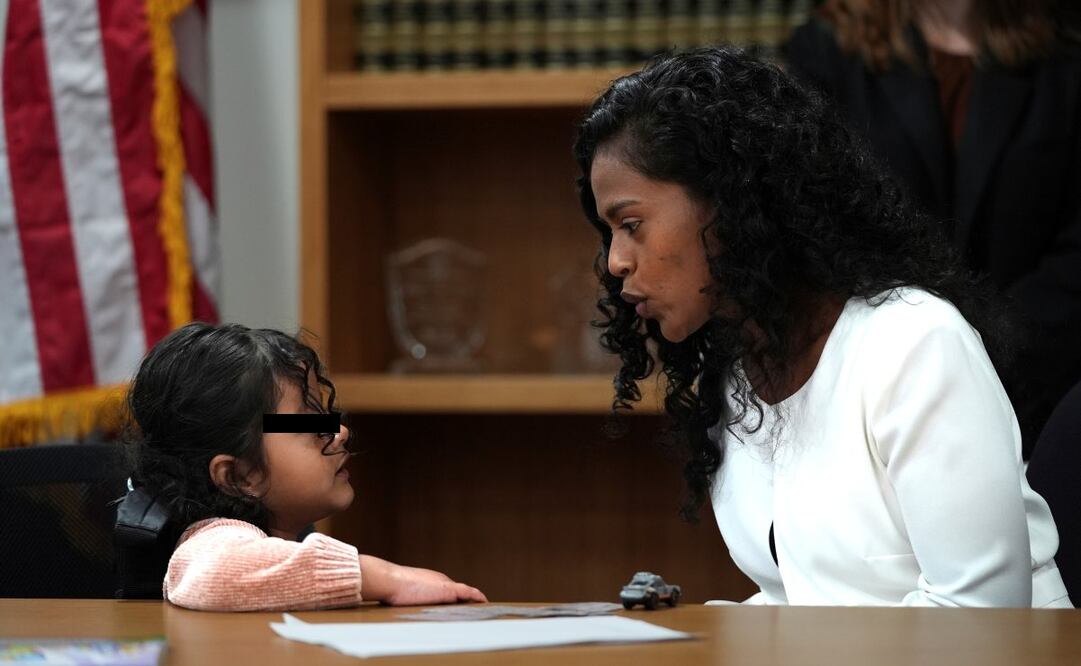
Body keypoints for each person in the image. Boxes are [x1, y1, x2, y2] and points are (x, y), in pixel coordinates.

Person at [573, 47, 1072, 607]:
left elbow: (981, 619)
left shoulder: (913, 343)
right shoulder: (738, 368)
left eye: (631, 224)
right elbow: (807, 598)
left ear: (732, 203)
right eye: (609, 233)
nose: (615, 262)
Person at [783, 0, 1081, 458]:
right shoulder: (824, 52)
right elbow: (816, 228)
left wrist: (997, 345)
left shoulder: (1065, 51)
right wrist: (921, 342)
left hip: (1039, 384)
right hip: (881, 385)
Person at [115, 322, 487, 611]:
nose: (339, 432)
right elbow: (215, 574)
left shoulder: (282, 542)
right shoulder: (213, 539)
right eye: (308, 423)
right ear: (240, 476)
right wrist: (383, 576)